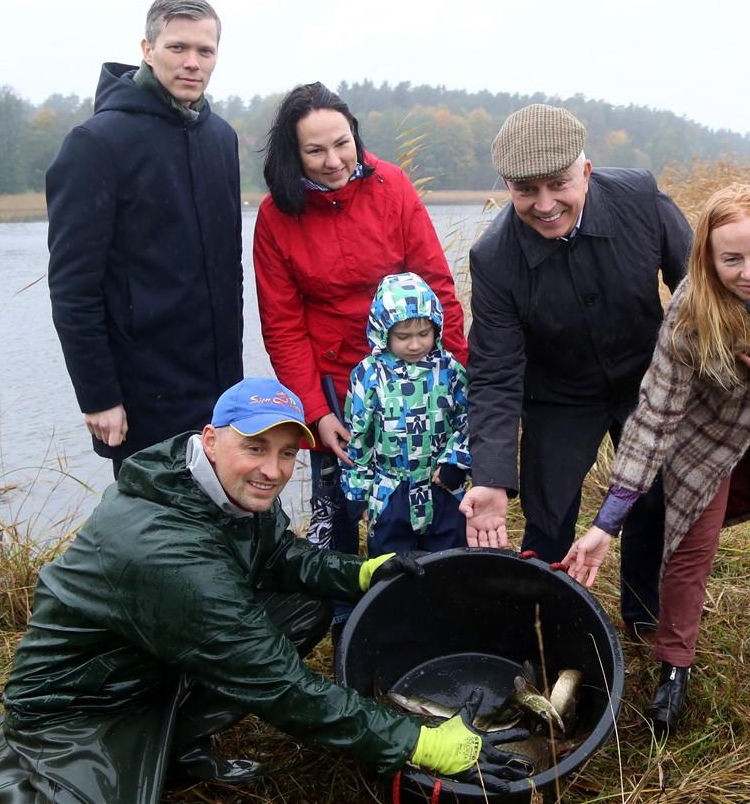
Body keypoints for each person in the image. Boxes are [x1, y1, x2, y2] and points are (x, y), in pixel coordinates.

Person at [0, 378, 532, 804]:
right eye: (255, 448)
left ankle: (174, 745)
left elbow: (280, 555)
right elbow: (278, 686)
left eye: (287, 454)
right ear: (212, 437)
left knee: (304, 604)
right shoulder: (167, 551)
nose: (273, 471)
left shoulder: (206, 478)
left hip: (154, 660)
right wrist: (412, 740)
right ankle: (6, 760)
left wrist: (359, 573)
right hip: (79, 701)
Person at [561, 184, 750, 736]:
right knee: (692, 539)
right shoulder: (690, 314)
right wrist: (607, 522)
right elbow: (654, 416)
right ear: (707, 259)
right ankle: (674, 671)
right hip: (710, 431)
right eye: (731, 258)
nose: (748, 271)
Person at [460, 104, 691, 636]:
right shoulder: (494, 257)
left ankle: (643, 616)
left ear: (585, 171)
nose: (544, 205)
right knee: (548, 508)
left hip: (644, 379)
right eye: (525, 190)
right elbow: (494, 372)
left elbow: (695, 287)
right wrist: (491, 476)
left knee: (651, 497)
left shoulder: (640, 198)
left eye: (558, 184)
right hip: (559, 395)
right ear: (506, 185)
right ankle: (545, 621)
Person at [253, 82, 469, 640]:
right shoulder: (277, 217)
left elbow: (438, 283)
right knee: (341, 501)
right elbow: (281, 323)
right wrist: (313, 410)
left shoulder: (392, 186)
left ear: (356, 136)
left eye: (342, 144)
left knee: (432, 490)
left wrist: (459, 372)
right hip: (336, 380)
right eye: (315, 151)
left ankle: (443, 592)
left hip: (418, 372)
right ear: (291, 154)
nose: (334, 162)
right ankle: (352, 619)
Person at [46, 0, 243, 478]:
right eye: (177, 48)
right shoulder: (96, 143)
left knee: (224, 533)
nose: (193, 63)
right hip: (141, 394)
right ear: (147, 48)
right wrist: (99, 396)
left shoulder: (221, 139)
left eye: (206, 50)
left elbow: (229, 268)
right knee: (155, 540)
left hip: (219, 389)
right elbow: (73, 288)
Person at [342, 272, 470, 555]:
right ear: (382, 332)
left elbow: (470, 420)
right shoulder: (368, 375)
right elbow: (358, 437)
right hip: (390, 491)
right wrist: (357, 492)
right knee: (391, 566)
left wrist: (456, 462)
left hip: (442, 486)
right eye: (403, 336)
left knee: (449, 560)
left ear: (436, 328)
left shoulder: (449, 370)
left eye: (424, 334)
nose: (415, 345)